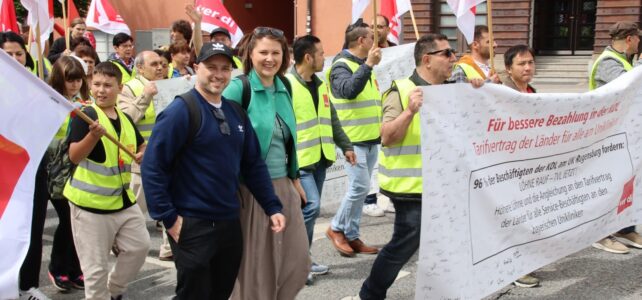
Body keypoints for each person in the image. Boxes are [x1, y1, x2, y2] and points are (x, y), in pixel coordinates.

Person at [142, 41, 285, 300]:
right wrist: (169, 218)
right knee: (194, 294)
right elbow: (153, 167)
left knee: (221, 291)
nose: (218, 74)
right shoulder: (180, 111)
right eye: (211, 67)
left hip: (229, 220)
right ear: (197, 68)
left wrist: (272, 206)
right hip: (192, 222)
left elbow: (252, 164)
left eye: (225, 68)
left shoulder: (235, 112)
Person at [355, 33, 482, 300]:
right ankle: (371, 293)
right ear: (427, 60)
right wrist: (409, 111)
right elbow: (387, 136)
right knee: (405, 243)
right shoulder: (400, 90)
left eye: (452, 53)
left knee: (448, 243)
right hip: (411, 187)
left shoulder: (452, 88)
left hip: (445, 184)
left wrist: (479, 89)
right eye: (446, 53)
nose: (453, 58)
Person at [223, 27, 310, 300]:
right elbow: (220, 137)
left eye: (276, 52)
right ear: (251, 54)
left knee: (294, 259)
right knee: (256, 263)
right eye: (263, 52)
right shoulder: (239, 88)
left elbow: (287, 139)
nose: (270, 58)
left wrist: (295, 179)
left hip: (284, 184)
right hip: (251, 190)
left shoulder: (284, 86)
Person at [63, 62, 150, 300]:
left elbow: (140, 144)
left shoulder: (124, 118)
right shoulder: (86, 115)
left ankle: (114, 291)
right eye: (97, 84)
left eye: (108, 85)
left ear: (119, 88)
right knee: (95, 270)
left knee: (139, 247)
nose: (101, 90)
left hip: (122, 201)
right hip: (89, 206)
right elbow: (74, 156)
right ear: (91, 85)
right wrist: (92, 136)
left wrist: (144, 153)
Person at [288, 35, 357, 285]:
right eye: (320, 54)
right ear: (308, 57)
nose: (324, 58)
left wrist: (346, 146)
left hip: (320, 160)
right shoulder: (286, 85)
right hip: (299, 163)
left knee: (308, 212)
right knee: (311, 207)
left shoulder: (320, 84)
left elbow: (333, 118)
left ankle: (303, 258)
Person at [325, 19, 382, 257]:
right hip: (353, 140)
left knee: (362, 187)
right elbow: (347, 91)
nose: (374, 41)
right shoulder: (341, 65)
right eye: (371, 37)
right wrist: (368, 64)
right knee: (359, 187)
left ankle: (352, 233)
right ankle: (336, 228)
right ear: (361, 41)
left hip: (369, 139)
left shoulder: (360, 64)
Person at [1, 31, 51, 300]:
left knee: (32, 228)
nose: (14, 58)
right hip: (4, 174)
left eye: (19, 53)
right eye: (7, 54)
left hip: (32, 170)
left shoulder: (36, 88)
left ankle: (28, 285)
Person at [589, 21, 642, 253]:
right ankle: (600, 233)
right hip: (607, 136)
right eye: (638, 38)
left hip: (625, 133)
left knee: (629, 182)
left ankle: (625, 228)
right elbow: (631, 87)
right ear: (629, 39)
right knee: (609, 184)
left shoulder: (626, 60)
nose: (640, 42)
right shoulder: (609, 63)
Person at [46, 56, 90, 293]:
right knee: (66, 220)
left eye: (77, 80)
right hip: (57, 171)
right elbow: (46, 140)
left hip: (81, 170)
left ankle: (74, 269)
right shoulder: (50, 102)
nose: (74, 85)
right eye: (69, 80)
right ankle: (57, 267)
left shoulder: (84, 101)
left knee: (78, 222)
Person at [117, 50, 166, 259]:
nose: (160, 68)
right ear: (140, 68)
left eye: (162, 64)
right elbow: (125, 118)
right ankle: (119, 239)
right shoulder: (130, 88)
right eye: (154, 64)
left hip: (167, 157)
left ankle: (169, 248)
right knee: (136, 207)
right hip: (141, 159)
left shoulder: (170, 84)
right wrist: (145, 96)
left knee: (169, 203)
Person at [501, 45, 540, 288]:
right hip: (507, 167)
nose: (527, 67)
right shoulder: (499, 91)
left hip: (530, 165)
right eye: (521, 64)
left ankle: (523, 260)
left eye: (530, 63)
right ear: (508, 68)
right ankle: (513, 267)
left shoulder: (533, 91)